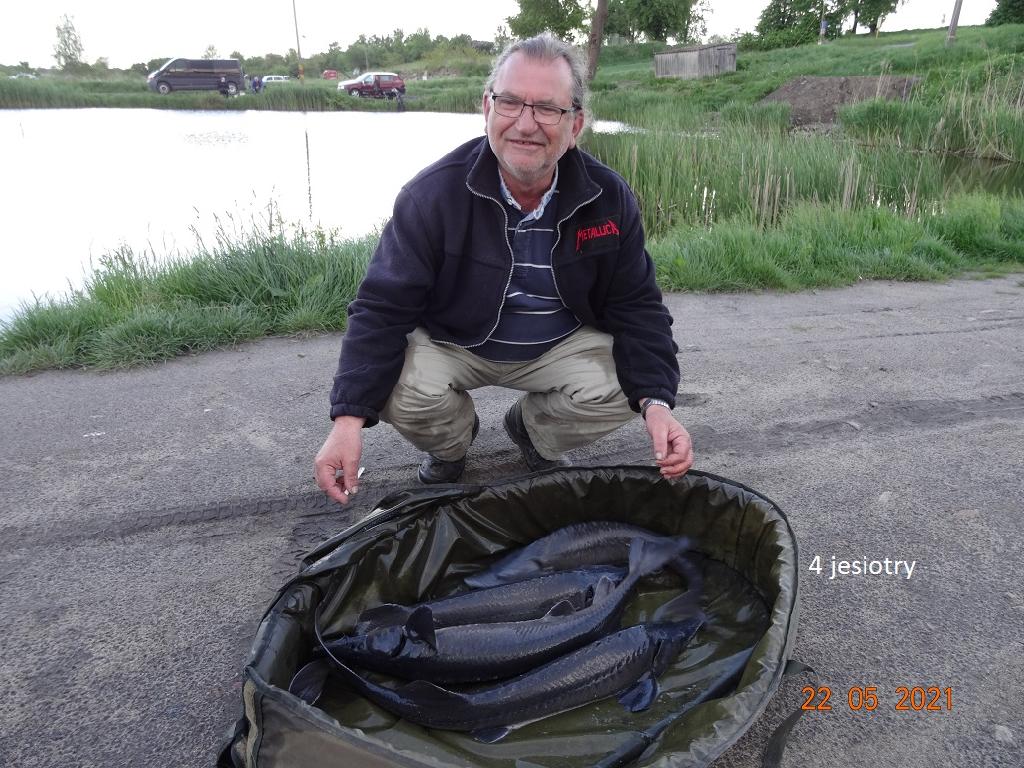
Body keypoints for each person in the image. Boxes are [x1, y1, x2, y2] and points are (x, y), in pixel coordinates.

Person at [314, 33, 693, 505]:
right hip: (457, 343)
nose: (525, 124)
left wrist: (657, 406)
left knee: (632, 383)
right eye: (510, 102)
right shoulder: (430, 196)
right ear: (487, 108)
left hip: (557, 346)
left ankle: (533, 433)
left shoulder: (609, 197)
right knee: (396, 384)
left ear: (575, 125)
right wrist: (347, 420)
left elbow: (638, 307)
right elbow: (381, 308)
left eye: (547, 109)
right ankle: (451, 445)